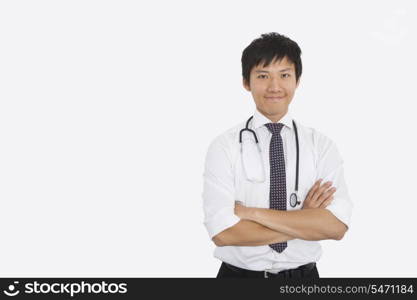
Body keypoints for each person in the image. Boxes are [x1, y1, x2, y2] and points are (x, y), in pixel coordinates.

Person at [202, 32, 353, 279]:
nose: (274, 87)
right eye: (263, 76)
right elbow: (223, 233)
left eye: (284, 75)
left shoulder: (321, 146)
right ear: (246, 82)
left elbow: (335, 227)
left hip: (303, 279)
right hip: (238, 279)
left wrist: (251, 213)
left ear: (297, 80)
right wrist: (305, 221)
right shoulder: (224, 147)